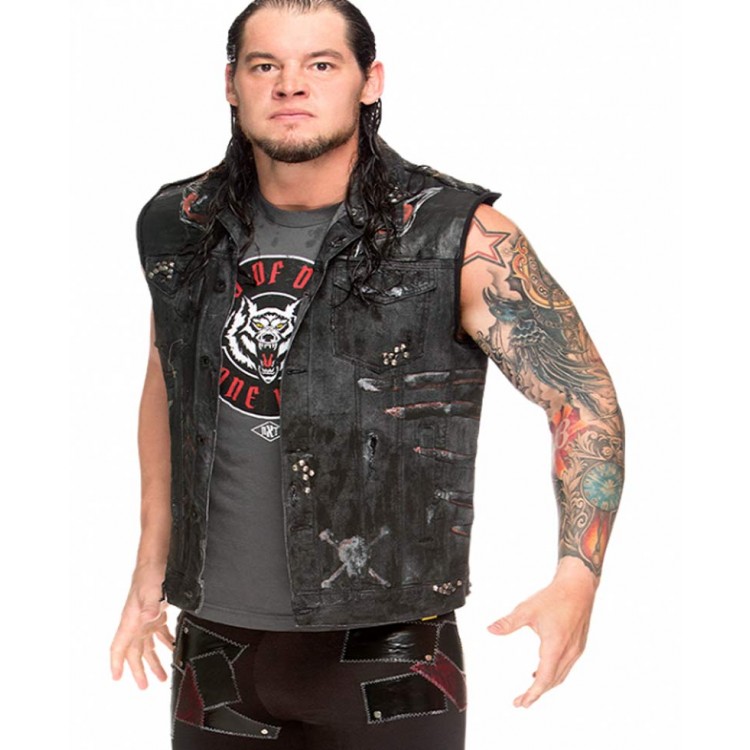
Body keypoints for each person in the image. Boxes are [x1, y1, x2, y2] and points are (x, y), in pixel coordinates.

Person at [110, 1, 624, 747]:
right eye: (265, 65)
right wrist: (148, 571)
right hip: (215, 645)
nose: (290, 84)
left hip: (391, 647)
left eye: (320, 64)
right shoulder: (178, 223)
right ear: (231, 84)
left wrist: (578, 577)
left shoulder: (455, 233)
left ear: (369, 81)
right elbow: (169, 386)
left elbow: (582, 399)